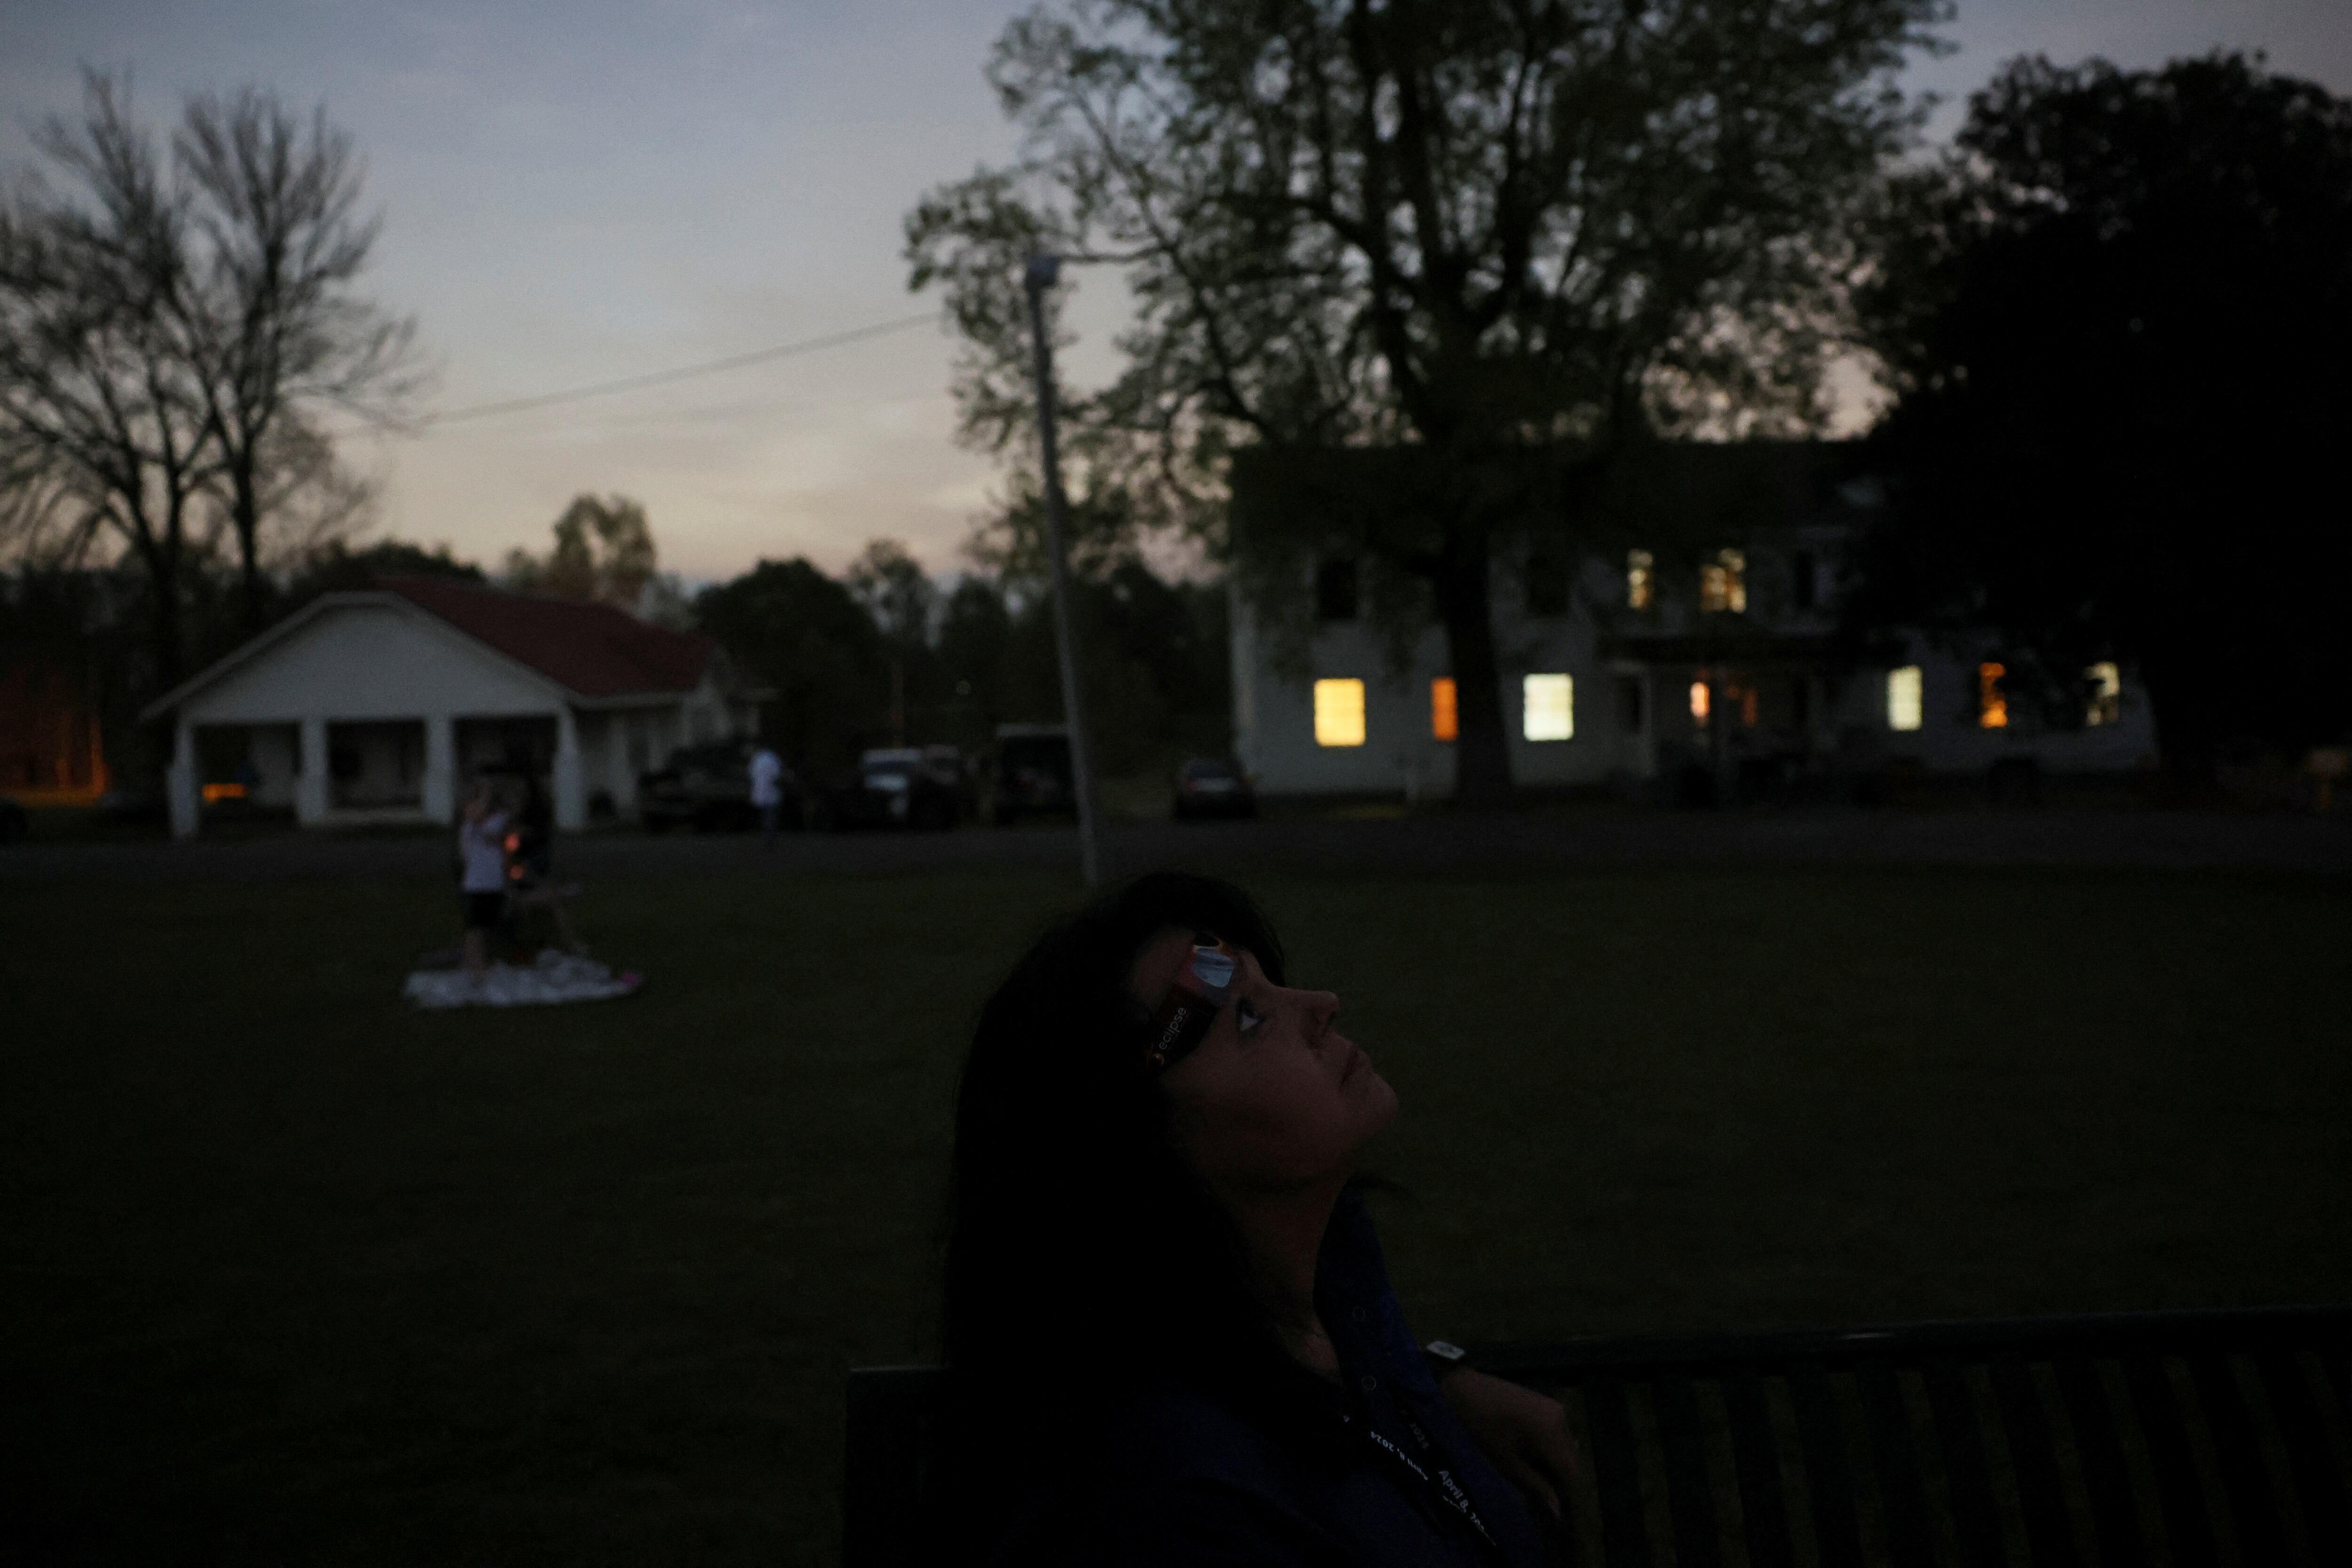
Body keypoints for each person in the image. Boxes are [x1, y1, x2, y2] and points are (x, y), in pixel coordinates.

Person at [932, 873, 1575, 1566]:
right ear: (1138, 1144)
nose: (1323, 1005)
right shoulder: (1192, 1508)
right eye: (1249, 1016)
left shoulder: (1326, 1296)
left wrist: (1435, 1389)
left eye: (1274, 983)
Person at [454, 777, 509, 984]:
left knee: (484, 928)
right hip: (476, 885)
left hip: (493, 883)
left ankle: (477, 964)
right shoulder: (469, 828)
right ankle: (474, 967)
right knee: (475, 929)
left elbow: (499, 835)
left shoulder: (498, 821)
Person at [749, 739, 785, 839]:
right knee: (770, 817)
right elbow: (778, 776)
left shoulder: (757, 759)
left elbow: (751, 775)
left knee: (763, 816)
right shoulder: (773, 758)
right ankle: (769, 837)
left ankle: (764, 836)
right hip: (771, 793)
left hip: (759, 792)